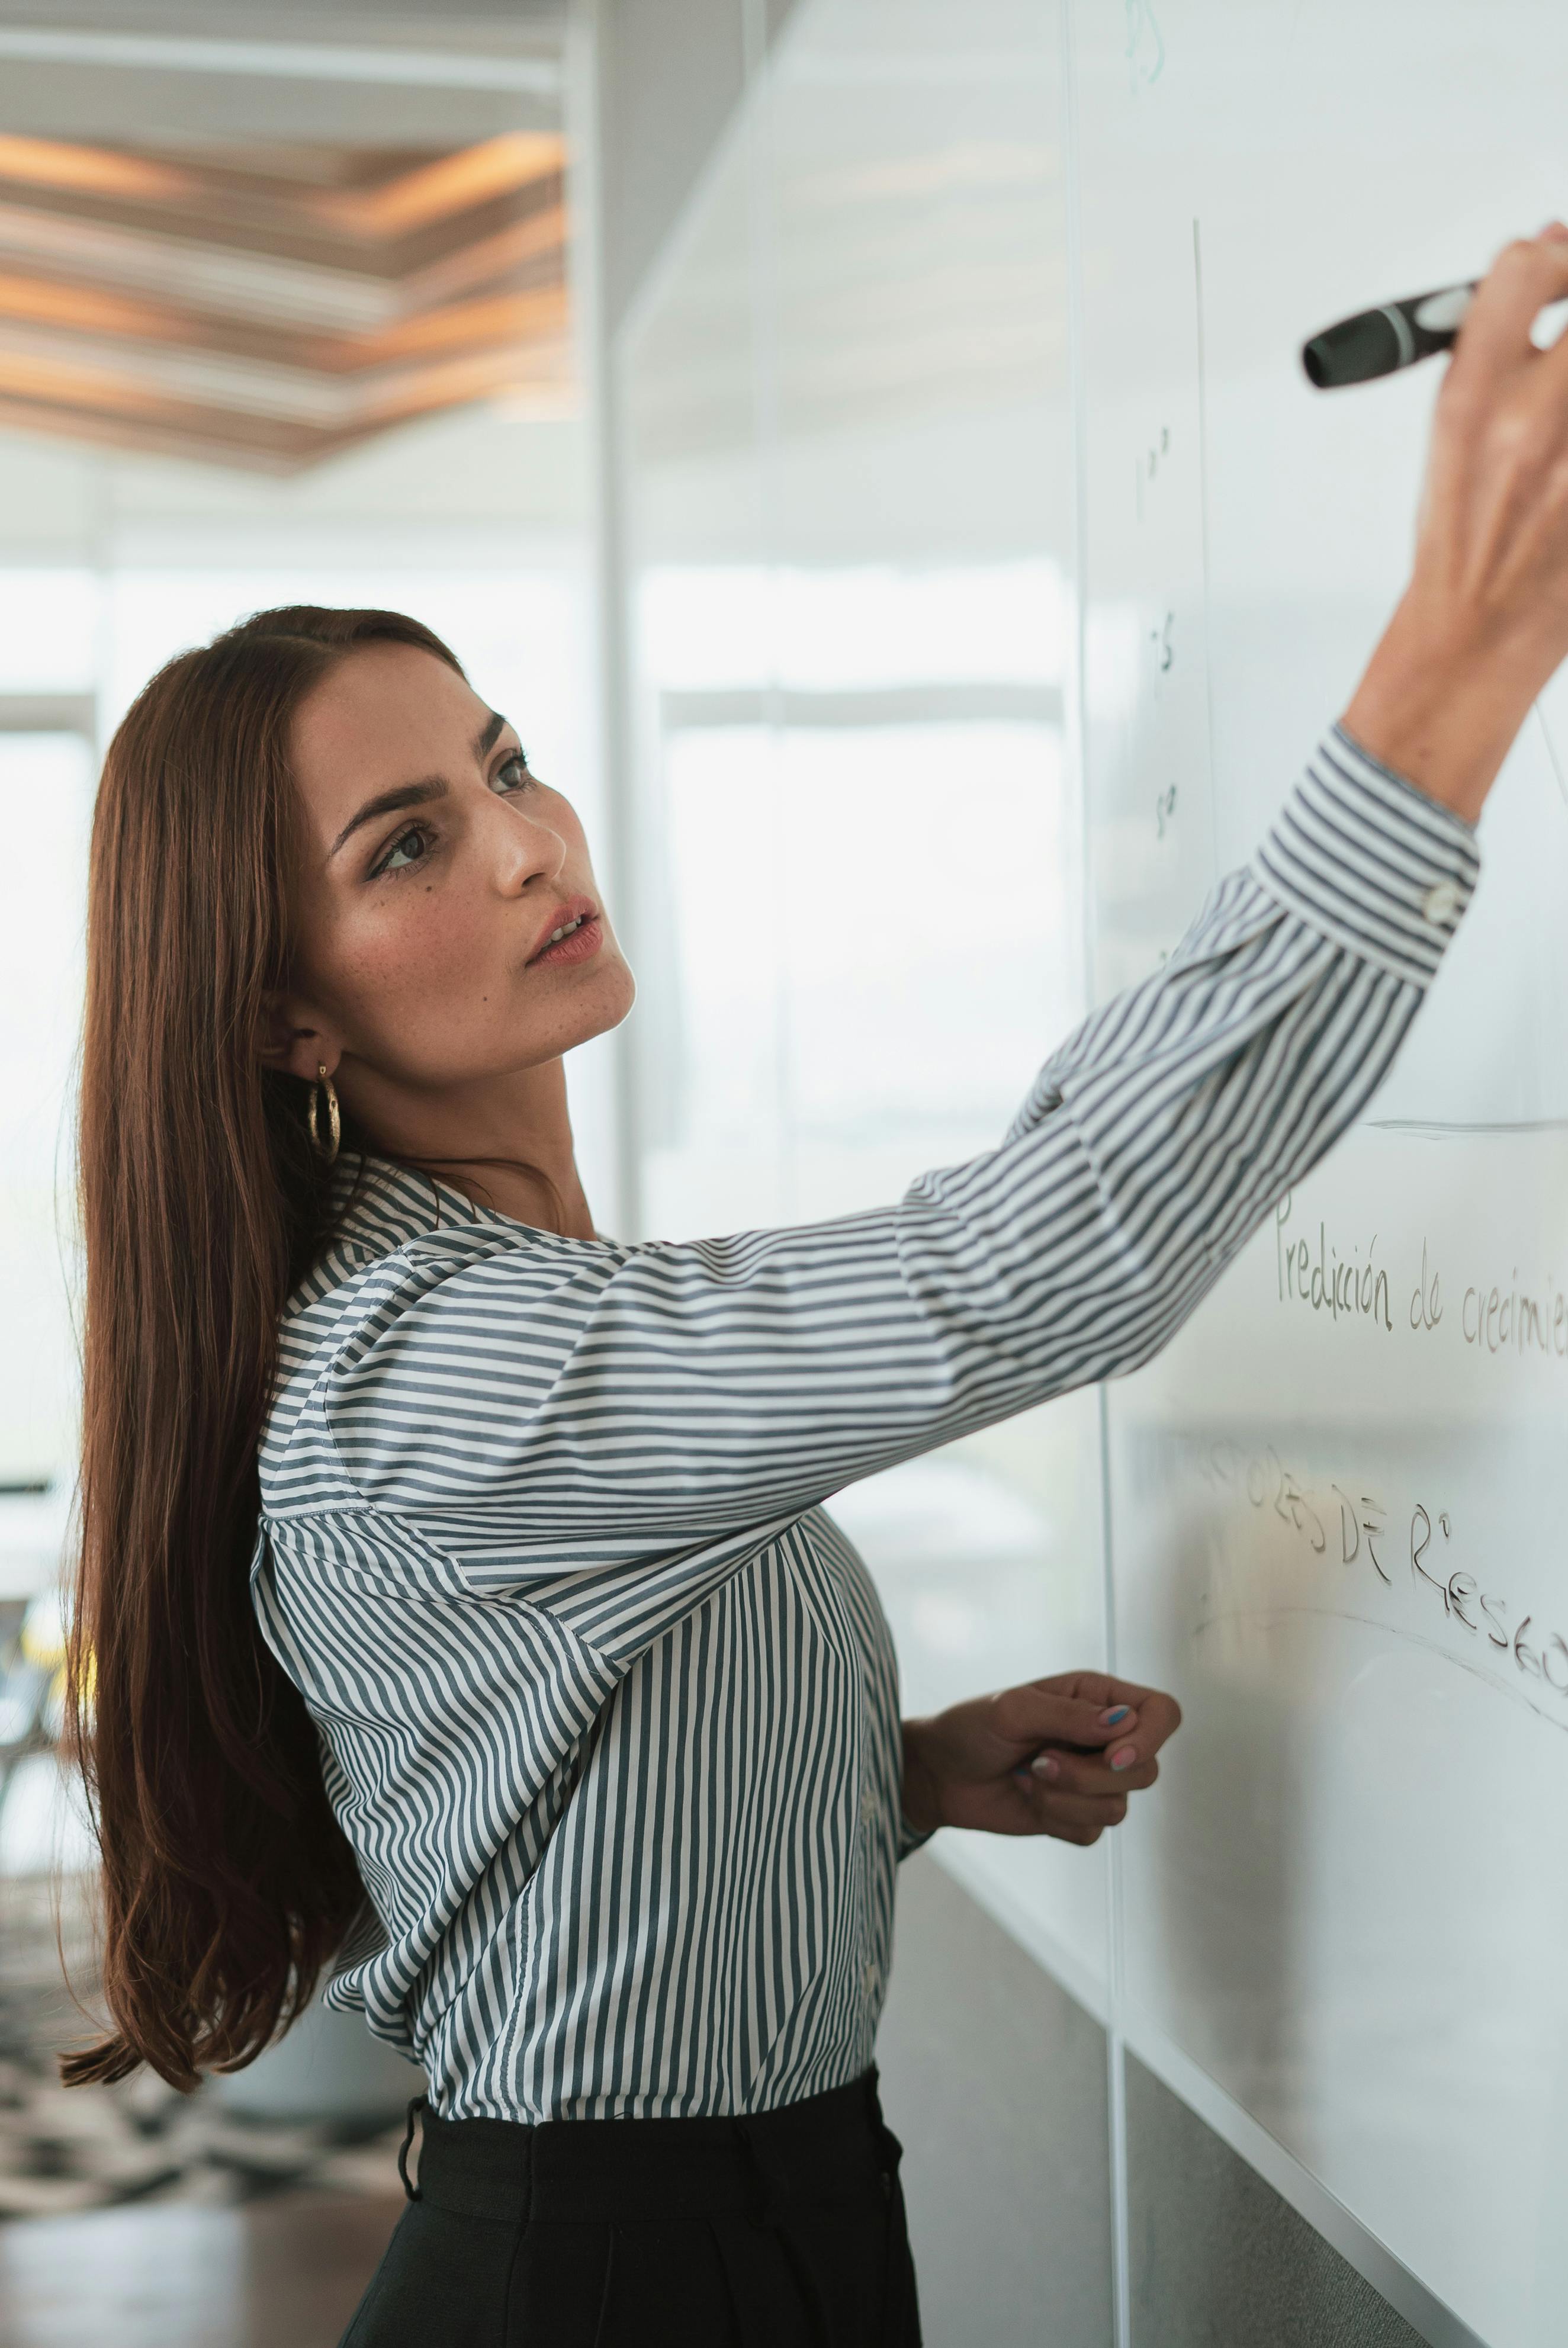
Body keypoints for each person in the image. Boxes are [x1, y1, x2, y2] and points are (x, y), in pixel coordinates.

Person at [58, 224, 1568, 2346]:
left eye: (501, 765)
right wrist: (1458, 660)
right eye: (402, 845)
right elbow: (1039, 1260)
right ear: (288, 1022)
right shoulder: (439, 1368)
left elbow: (548, 1785)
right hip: (602, 2282)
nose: (520, 843)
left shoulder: (528, 1301)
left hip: (766, 2227)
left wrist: (898, 1772)